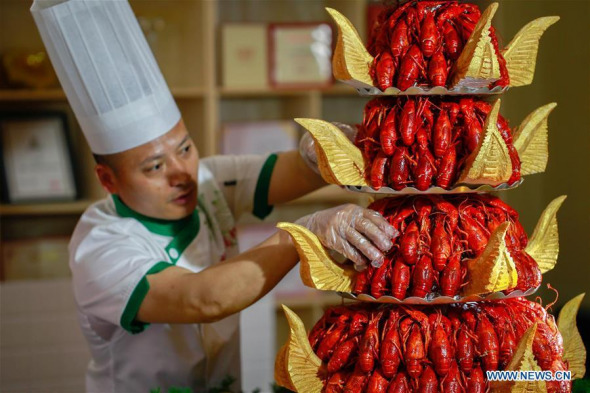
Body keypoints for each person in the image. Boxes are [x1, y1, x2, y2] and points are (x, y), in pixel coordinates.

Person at [31, 1, 396, 392]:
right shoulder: (101, 247)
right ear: (108, 179)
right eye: (154, 167)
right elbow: (200, 299)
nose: (181, 173)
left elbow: (287, 171)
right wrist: (302, 234)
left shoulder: (206, 179)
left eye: (185, 148)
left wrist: (318, 152)